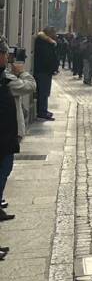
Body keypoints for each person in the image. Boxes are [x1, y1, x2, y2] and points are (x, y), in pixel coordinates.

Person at [0, 39, 37, 231]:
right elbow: (30, 86)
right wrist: (21, 71)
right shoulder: (7, 80)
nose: (8, 57)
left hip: (5, 133)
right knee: (4, 170)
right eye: (5, 54)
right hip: (6, 134)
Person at [32, 27, 58, 121]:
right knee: (43, 92)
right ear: (49, 34)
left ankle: (44, 110)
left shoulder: (46, 43)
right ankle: (42, 112)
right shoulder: (44, 43)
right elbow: (47, 58)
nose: (55, 35)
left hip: (46, 71)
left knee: (45, 92)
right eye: (54, 33)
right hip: (43, 71)